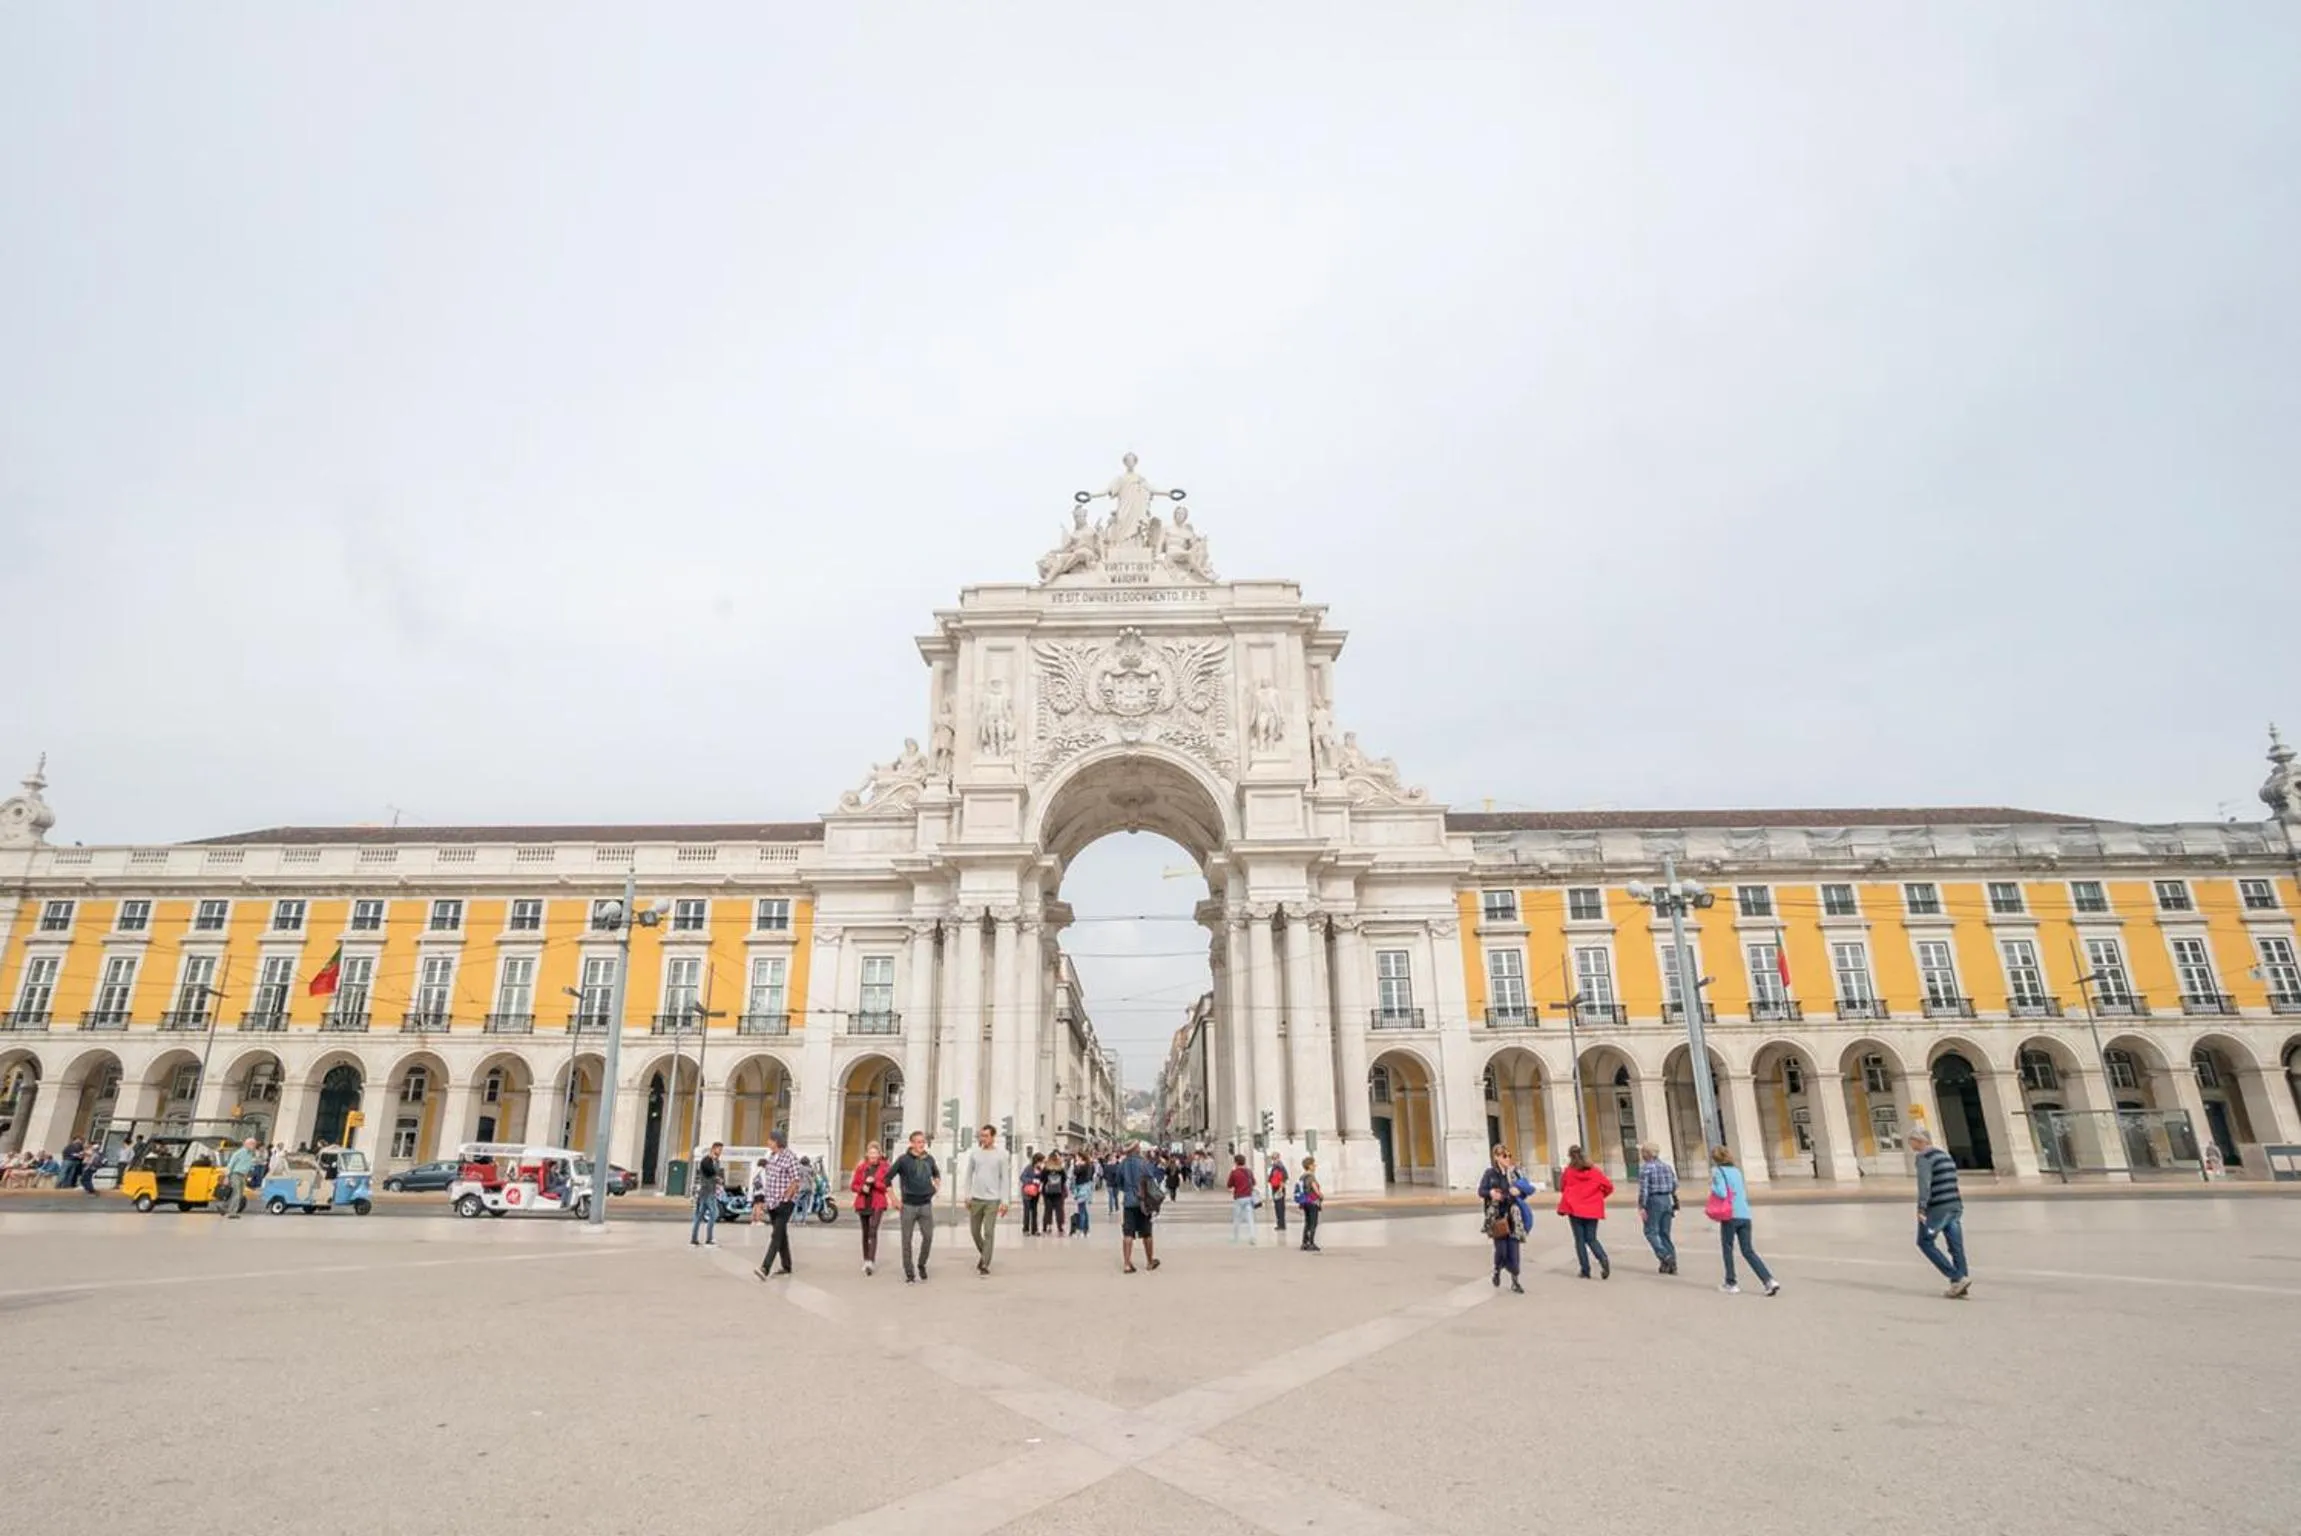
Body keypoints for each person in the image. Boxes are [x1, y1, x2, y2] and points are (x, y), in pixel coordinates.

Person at [1709, 1146, 1780, 1296]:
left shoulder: (1718, 1172)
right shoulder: (1736, 1171)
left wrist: (1713, 1185)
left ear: (1715, 1159)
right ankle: (1768, 1280)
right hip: (1745, 1215)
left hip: (1730, 1215)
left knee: (1728, 1248)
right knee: (1748, 1250)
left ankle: (1731, 1282)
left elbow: (1721, 1192)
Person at [1910, 1130, 1971, 1298]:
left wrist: (1921, 1208)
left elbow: (1924, 1184)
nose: (1910, 1145)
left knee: (1924, 1241)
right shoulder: (1945, 1155)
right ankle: (1961, 1283)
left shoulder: (1924, 1157)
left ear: (1919, 1141)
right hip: (1955, 1204)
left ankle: (1957, 1278)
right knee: (1956, 1245)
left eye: (1911, 1141)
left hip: (1938, 1207)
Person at [890, 1130, 941, 1283]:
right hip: (908, 1206)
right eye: (918, 1142)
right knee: (906, 1239)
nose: (921, 1144)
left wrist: (935, 1187)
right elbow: (887, 1179)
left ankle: (921, 1264)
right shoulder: (903, 1160)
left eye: (923, 1142)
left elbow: (936, 1174)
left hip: (925, 1205)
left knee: (928, 1237)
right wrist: (894, 1199)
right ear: (912, 1143)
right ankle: (909, 1272)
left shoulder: (929, 1159)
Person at [752, 1131, 803, 1280]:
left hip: (784, 1202)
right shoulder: (771, 1157)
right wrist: (766, 1201)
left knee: (776, 1235)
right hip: (772, 1201)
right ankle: (787, 1265)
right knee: (781, 1234)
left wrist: (786, 1198)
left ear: (777, 1142)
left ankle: (765, 1268)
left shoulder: (790, 1157)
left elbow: (796, 1180)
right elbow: (769, 1180)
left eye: (770, 1140)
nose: (768, 1142)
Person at [1558, 1145, 1614, 1280]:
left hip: (1574, 1209)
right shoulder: (1594, 1171)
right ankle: (1603, 1258)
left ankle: (1585, 1270)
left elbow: (1562, 1187)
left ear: (1570, 1156)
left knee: (1580, 1240)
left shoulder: (1568, 1172)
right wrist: (1599, 1196)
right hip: (1592, 1208)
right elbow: (1609, 1187)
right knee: (1591, 1238)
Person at [1478, 1145, 1527, 1293]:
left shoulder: (1514, 1174)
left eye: (1509, 1155)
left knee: (1514, 1251)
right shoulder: (1490, 1174)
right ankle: (1497, 1270)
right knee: (1501, 1250)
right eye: (1504, 1156)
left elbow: (1525, 1190)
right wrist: (1491, 1193)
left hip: (1513, 1216)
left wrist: (1519, 1192)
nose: (1508, 1159)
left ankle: (1515, 1281)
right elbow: (1481, 1191)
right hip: (1497, 1217)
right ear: (1496, 1157)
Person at [966, 1125, 1012, 1278]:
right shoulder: (975, 1154)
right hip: (976, 1198)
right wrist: (967, 1195)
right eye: (981, 1136)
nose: (983, 1139)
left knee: (988, 1232)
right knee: (974, 1231)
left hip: (993, 1199)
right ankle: (985, 1253)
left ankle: (985, 1263)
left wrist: (1005, 1201)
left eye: (986, 1136)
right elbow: (968, 1175)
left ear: (993, 1137)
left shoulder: (1001, 1155)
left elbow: (1005, 1179)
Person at [1116, 1140, 1161, 1274]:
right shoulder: (1143, 1163)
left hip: (1128, 1202)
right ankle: (1150, 1262)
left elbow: (1118, 1182)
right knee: (1147, 1232)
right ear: (1136, 1149)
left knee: (1128, 1233)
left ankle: (1127, 1264)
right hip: (1143, 1202)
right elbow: (1151, 1180)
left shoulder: (1122, 1164)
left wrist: (1128, 1190)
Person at [850, 1140, 893, 1277]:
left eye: (875, 1153)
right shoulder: (861, 1167)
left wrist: (875, 1182)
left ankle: (871, 1261)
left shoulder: (885, 1167)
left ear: (879, 1154)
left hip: (878, 1202)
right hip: (863, 1202)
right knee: (865, 1232)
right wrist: (862, 1187)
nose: (873, 1156)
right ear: (867, 1154)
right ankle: (866, 1259)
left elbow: (886, 1186)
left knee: (873, 1230)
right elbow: (853, 1185)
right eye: (871, 1153)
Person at [1636, 1142, 1679, 1275]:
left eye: (1643, 1152)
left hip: (1653, 1200)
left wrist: (1642, 1206)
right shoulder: (1667, 1167)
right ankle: (1671, 1264)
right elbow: (1675, 1184)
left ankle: (1665, 1255)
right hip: (1667, 1199)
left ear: (1646, 1154)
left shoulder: (1646, 1168)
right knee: (1664, 1233)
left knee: (1650, 1231)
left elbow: (1644, 1190)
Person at [691, 1141, 725, 1247]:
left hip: (710, 1191)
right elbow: (709, 1173)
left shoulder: (716, 1161)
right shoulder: (706, 1160)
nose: (720, 1152)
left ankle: (694, 1239)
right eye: (719, 1149)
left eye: (721, 1150)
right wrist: (717, 1179)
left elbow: (716, 1173)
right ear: (713, 1149)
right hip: (707, 1191)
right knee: (714, 1214)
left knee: (700, 1215)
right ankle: (708, 1240)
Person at [221, 1137, 261, 1220]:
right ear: (246, 1144)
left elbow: (252, 1163)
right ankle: (232, 1213)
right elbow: (230, 1165)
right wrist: (226, 1176)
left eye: (254, 1144)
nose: (254, 1146)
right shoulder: (239, 1153)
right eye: (252, 1144)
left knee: (239, 1194)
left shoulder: (251, 1154)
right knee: (237, 1193)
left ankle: (224, 1207)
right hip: (235, 1174)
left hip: (243, 1176)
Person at [1226, 1153, 1257, 1244]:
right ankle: (1252, 1237)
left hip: (1239, 1198)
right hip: (1248, 1197)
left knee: (1237, 1219)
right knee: (1250, 1219)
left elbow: (1229, 1185)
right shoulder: (1249, 1172)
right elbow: (1254, 1183)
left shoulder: (1234, 1172)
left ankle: (1236, 1238)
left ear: (1236, 1162)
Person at [1296, 1157, 1324, 1252]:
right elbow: (1315, 1188)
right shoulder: (1311, 1176)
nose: (1315, 1166)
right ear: (1309, 1166)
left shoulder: (1302, 1176)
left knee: (1307, 1222)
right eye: (1313, 1164)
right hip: (1312, 1202)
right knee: (1313, 1223)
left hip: (1305, 1202)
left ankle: (1304, 1243)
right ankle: (1311, 1243)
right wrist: (1321, 1195)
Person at [1040, 1153, 1068, 1236]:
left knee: (1047, 1210)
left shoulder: (1046, 1168)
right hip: (1059, 1192)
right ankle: (1060, 1228)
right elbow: (1064, 1179)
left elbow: (1042, 1179)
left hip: (1047, 1193)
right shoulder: (1060, 1169)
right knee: (1059, 1210)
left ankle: (1046, 1227)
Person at [1266, 1154, 1289, 1237]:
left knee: (1280, 1207)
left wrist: (1280, 1189)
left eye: (1275, 1158)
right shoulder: (1275, 1167)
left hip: (1279, 1189)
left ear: (1279, 1158)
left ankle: (1282, 1225)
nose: (1274, 1160)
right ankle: (1280, 1224)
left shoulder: (1280, 1167)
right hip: (1275, 1188)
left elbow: (1284, 1178)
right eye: (1273, 1158)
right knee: (1277, 1207)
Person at [1021, 1154, 1043, 1237]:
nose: (1041, 1163)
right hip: (1027, 1192)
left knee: (1034, 1211)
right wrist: (1032, 1180)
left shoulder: (1040, 1169)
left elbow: (1042, 1179)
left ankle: (1035, 1229)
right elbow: (1022, 1177)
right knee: (1027, 1211)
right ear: (1036, 1161)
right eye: (1040, 1161)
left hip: (1036, 1193)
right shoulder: (1028, 1168)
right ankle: (1025, 1229)